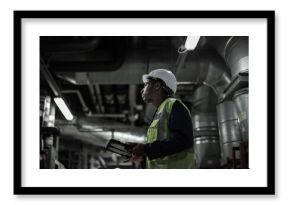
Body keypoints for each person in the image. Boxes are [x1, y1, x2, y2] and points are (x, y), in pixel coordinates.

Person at [130, 69, 196, 169]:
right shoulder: (161, 111)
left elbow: (183, 140)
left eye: (146, 84)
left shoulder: (174, 106)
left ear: (157, 86)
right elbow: (163, 147)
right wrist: (143, 153)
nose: (142, 90)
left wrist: (146, 149)